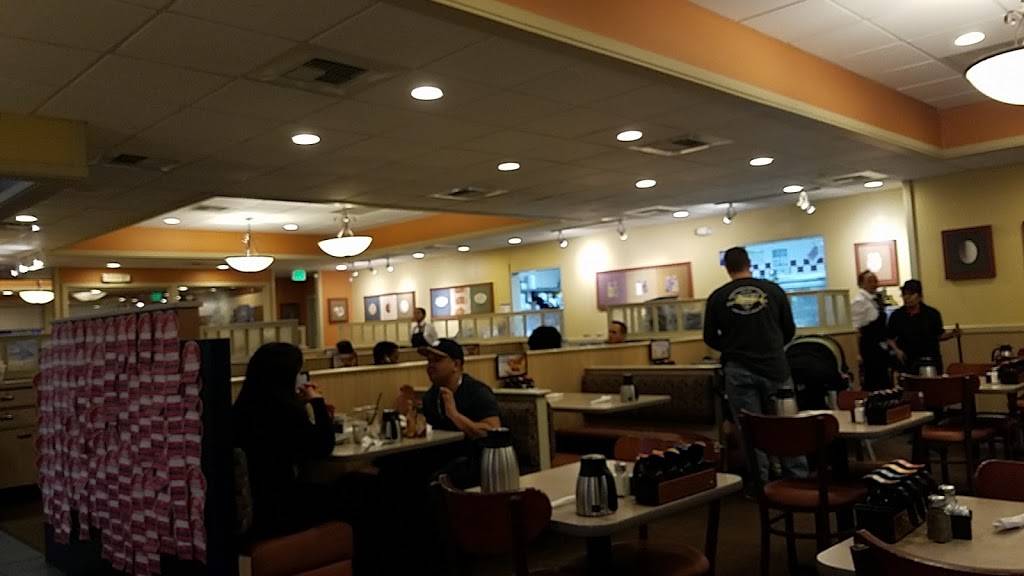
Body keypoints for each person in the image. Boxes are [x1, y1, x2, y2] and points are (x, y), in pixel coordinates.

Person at [703, 246, 806, 482]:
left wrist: (731, 348)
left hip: (738, 369)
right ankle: (796, 479)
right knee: (786, 427)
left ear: (727, 268)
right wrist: (772, 347)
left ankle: (761, 484)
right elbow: (789, 329)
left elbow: (709, 337)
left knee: (750, 430)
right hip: (775, 368)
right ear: (749, 263)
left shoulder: (718, 297)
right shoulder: (774, 290)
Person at [233, 342, 335, 538]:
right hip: (280, 509)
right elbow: (323, 447)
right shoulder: (287, 412)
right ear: (287, 375)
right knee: (351, 490)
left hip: (254, 506)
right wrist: (317, 402)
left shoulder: (242, 407)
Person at [419, 339, 501, 439]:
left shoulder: (478, 392)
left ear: (456, 365)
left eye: (437, 360)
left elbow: (493, 431)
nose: (430, 366)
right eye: (429, 361)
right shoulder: (430, 396)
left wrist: (454, 415)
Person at [887, 279, 959, 373]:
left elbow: (939, 335)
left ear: (919, 296)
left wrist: (952, 334)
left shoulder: (932, 314)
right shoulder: (897, 315)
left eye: (911, 294)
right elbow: (890, 337)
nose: (907, 298)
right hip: (907, 361)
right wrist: (897, 350)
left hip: (930, 359)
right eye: (904, 294)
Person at [851, 271, 891, 390]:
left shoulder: (874, 299)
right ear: (861, 284)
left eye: (875, 281)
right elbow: (856, 329)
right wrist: (857, 353)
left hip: (879, 348)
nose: (874, 284)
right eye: (869, 281)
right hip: (869, 348)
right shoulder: (859, 301)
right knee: (874, 382)